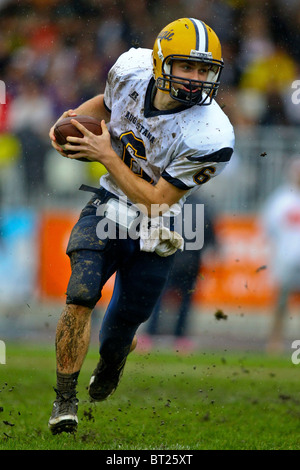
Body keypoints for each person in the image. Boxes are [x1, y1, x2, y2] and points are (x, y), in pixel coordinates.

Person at [48, 17, 235, 434]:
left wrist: (106, 154)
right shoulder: (132, 67)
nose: (197, 78)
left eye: (205, 70)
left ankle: (113, 361)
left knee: (119, 331)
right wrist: (74, 122)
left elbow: (156, 200)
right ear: (159, 62)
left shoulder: (212, 133)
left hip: (163, 223)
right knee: (80, 294)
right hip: (111, 201)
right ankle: (64, 400)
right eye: (188, 66)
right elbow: (108, 102)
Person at [142, 194, 217, 353]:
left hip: (173, 259)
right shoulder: (201, 204)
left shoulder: (167, 200)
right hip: (187, 261)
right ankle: (176, 336)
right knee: (180, 300)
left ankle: (153, 334)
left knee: (159, 298)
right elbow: (211, 233)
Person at [261, 157, 300, 353]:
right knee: (281, 302)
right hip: (286, 258)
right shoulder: (282, 199)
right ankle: (275, 340)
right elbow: (268, 228)